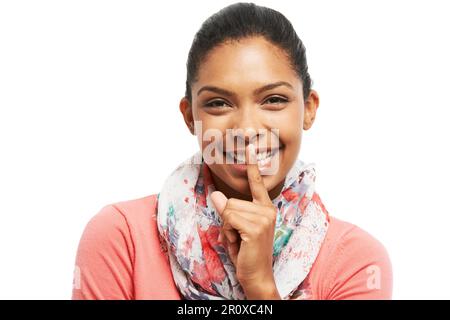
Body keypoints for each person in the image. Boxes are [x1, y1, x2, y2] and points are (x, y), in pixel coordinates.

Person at [72, 2, 393, 300]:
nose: (247, 129)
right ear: (190, 117)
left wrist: (261, 287)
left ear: (308, 109)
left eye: (274, 100)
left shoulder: (356, 262)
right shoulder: (122, 237)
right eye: (218, 104)